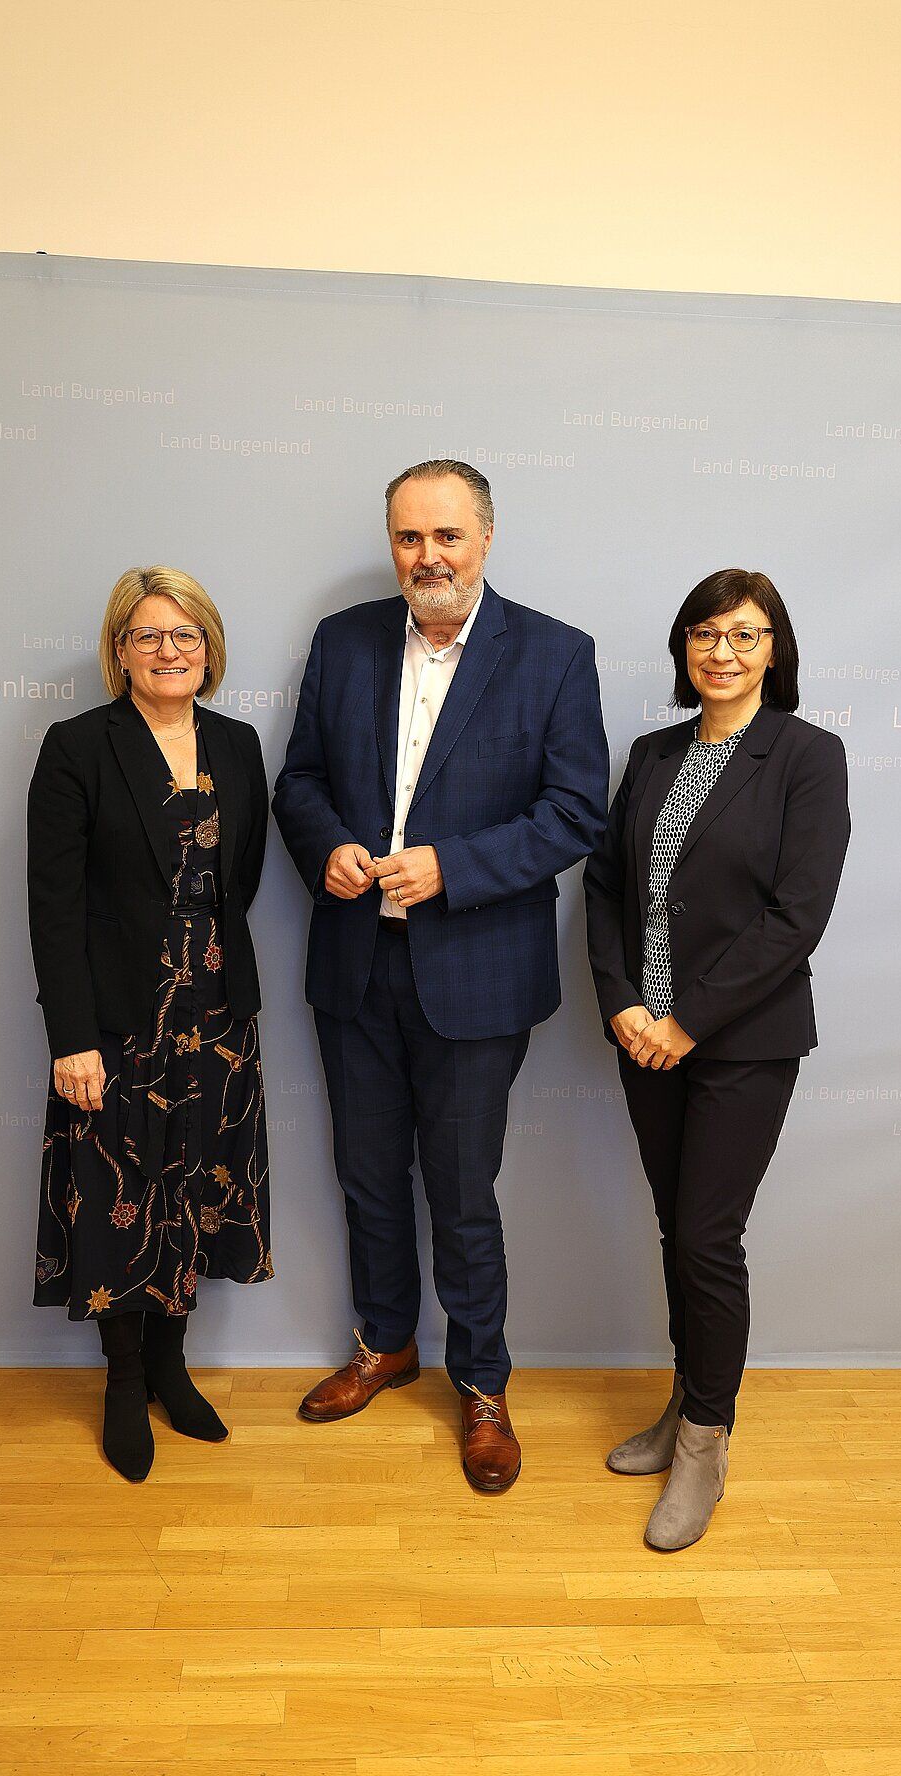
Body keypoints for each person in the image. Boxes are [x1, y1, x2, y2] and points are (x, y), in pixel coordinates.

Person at [272, 459, 609, 1493]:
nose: (428, 558)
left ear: (487, 539)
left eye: (447, 537)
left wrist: (453, 867)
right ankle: (385, 1342)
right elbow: (301, 782)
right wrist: (325, 846)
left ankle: (483, 1382)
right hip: (354, 965)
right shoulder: (344, 643)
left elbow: (574, 812)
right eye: (409, 538)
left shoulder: (553, 655)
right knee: (367, 1176)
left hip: (476, 975)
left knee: (461, 1192)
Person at [583, 569, 850, 1550]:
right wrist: (621, 1003)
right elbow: (605, 888)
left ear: (773, 648)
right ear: (683, 650)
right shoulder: (652, 753)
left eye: (743, 634)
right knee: (673, 1232)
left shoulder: (807, 758)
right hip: (641, 1038)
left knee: (706, 1238)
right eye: (704, 634)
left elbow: (797, 917)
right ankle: (683, 1404)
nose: (722, 652)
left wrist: (686, 1020)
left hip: (739, 1040)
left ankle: (707, 1440)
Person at [27, 567, 273, 1482]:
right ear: (119, 651)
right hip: (118, 1023)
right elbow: (53, 907)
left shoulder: (240, 746)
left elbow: (234, 883)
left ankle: (173, 1366)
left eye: (186, 636)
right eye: (149, 636)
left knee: (197, 1189)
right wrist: (71, 1038)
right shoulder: (77, 748)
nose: (170, 651)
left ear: (208, 648)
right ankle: (124, 1381)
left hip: (215, 1015)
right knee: (120, 1195)